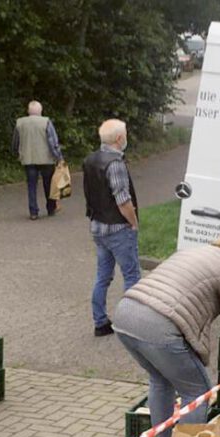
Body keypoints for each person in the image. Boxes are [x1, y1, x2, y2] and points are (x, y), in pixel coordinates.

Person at [113, 231, 220, 437]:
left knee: (161, 380)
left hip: (126, 313)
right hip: (159, 326)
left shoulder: (194, 252)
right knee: (197, 392)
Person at [84, 119, 141, 337]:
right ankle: (130, 325)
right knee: (132, 275)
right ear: (119, 138)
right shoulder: (115, 164)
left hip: (98, 226)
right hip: (118, 228)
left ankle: (100, 321)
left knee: (102, 276)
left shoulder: (90, 160)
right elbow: (123, 200)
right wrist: (133, 222)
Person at [12, 101, 64, 220]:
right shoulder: (46, 122)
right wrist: (59, 157)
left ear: (28, 111)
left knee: (31, 185)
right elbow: (53, 142)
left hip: (28, 158)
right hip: (46, 159)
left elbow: (15, 141)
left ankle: (33, 211)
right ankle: (51, 208)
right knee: (48, 184)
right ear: (40, 111)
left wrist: (16, 153)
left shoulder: (20, 123)